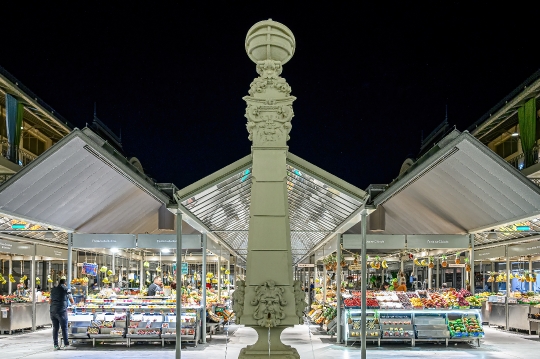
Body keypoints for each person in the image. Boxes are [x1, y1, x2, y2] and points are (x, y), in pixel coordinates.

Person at [49, 279, 74, 350]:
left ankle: (56, 345)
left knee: (55, 328)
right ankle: (66, 345)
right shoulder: (67, 289)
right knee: (64, 328)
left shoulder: (53, 290)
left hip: (52, 311)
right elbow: (71, 300)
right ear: (65, 283)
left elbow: (49, 301)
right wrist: (73, 305)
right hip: (61, 311)